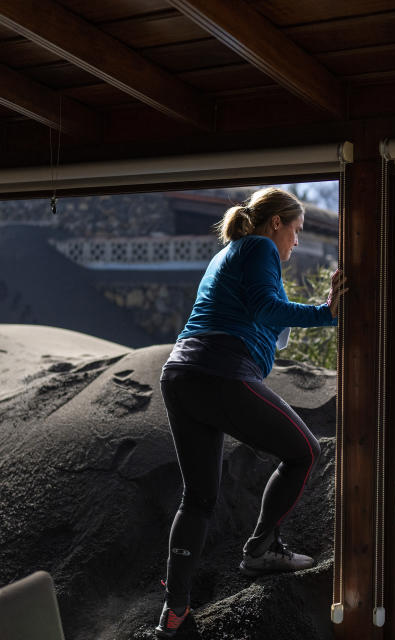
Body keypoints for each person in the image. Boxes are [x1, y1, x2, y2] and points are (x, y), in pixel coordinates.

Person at [154, 187, 346, 637]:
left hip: (181, 373)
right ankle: (261, 548)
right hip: (219, 369)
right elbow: (266, 309)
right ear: (275, 223)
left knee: (199, 499)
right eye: (295, 230)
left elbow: (270, 321)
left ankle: (174, 611)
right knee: (304, 452)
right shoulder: (259, 246)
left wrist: (330, 304)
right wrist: (328, 313)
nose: (296, 242)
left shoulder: (233, 254)